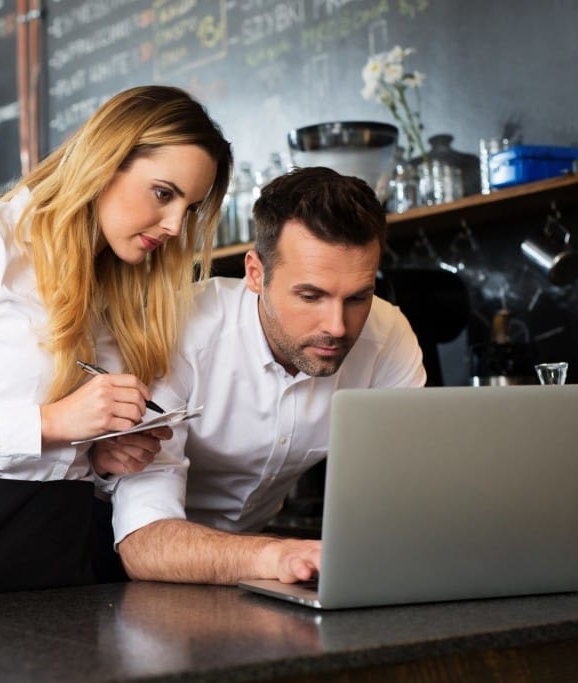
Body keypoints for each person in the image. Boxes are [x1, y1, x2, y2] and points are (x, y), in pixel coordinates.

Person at [0, 85, 233, 600]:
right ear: (105, 160)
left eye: (189, 209)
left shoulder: (120, 287)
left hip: (68, 561)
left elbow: (55, 457)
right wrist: (53, 423)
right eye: (164, 193)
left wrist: (99, 460)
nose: (172, 225)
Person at [94, 166, 427, 585]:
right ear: (256, 274)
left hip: (254, 567)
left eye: (358, 297)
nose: (338, 327)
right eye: (310, 296)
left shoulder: (387, 335)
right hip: (111, 566)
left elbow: (406, 492)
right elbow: (144, 543)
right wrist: (276, 555)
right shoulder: (178, 332)